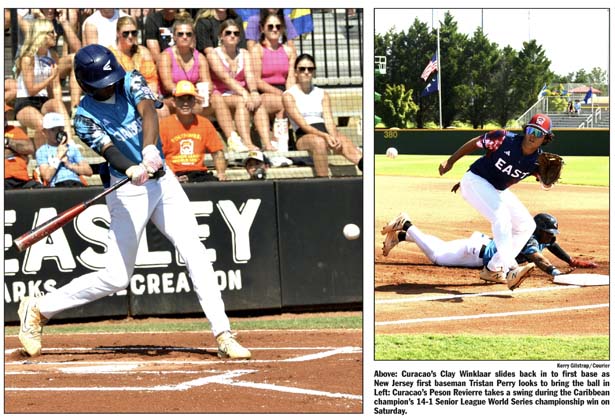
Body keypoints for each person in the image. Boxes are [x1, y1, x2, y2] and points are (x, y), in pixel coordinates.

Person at [17, 44, 251, 360]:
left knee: (195, 250)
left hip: (162, 180)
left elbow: (147, 110)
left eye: (112, 78)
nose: (111, 85)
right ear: (87, 85)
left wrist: (150, 150)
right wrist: (129, 167)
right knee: (116, 277)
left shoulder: (130, 79)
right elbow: (109, 149)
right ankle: (40, 307)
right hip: (127, 190)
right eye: (103, 83)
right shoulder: (84, 117)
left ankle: (223, 333)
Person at [438, 113, 555, 290]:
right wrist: (451, 161)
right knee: (501, 218)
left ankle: (493, 268)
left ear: (545, 138)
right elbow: (475, 142)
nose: (533, 135)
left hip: (496, 189)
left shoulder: (538, 161)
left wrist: (548, 181)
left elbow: (546, 184)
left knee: (526, 225)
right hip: (475, 180)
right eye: (531, 130)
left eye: (539, 133)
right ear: (525, 130)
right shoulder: (503, 138)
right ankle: (511, 269)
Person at [382, 212, 597, 289]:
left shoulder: (543, 237)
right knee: (437, 256)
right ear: (540, 231)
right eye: (549, 233)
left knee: (441, 247)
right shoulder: (530, 239)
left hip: (477, 245)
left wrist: (571, 261)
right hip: (474, 253)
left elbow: (554, 247)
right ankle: (407, 224)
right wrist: (555, 273)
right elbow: (538, 259)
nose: (552, 236)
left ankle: (401, 236)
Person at [283, 53, 363, 177]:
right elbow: (303, 125)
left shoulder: (322, 93)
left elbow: (329, 120)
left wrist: (334, 136)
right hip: (304, 135)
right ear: (295, 72)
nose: (306, 72)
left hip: (324, 131)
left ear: (314, 72)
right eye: (302, 69)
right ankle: (325, 182)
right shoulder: (288, 95)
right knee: (319, 142)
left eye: (310, 69)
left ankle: (367, 169)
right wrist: (325, 136)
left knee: (343, 140)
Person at [14, 18, 73, 149]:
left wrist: (58, 108)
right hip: (25, 102)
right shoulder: (27, 58)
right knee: (43, 124)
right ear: (42, 35)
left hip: (43, 100)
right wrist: (50, 78)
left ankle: (69, 142)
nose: (56, 35)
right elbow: (31, 90)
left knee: (57, 104)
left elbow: (56, 86)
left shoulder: (52, 55)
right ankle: (42, 158)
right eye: (52, 32)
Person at [209, 19, 261, 152]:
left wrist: (254, 91)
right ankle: (244, 142)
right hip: (219, 96)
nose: (232, 36)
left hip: (240, 94)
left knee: (259, 101)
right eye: (228, 33)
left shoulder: (244, 53)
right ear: (221, 35)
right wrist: (245, 93)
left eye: (236, 33)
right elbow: (225, 78)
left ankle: (272, 143)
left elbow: (249, 75)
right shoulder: (213, 53)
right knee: (241, 100)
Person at [159, 80, 227, 182]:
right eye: (181, 99)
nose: (185, 103)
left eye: (189, 99)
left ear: (195, 101)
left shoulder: (205, 124)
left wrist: (221, 173)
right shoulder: (164, 125)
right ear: (173, 102)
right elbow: (159, 156)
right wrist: (171, 176)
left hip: (198, 174)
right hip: (173, 174)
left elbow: (217, 152)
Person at [251, 12, 296, 151]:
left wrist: (289, 93)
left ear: (282, 29)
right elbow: (257, 80)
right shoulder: (257, 50)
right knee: (281, 102)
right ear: (262, 29)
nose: (275, 29)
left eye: (278, 26)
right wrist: (281, 94)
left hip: (284, 89)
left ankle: (283, 144)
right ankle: (274, 144)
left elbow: (290, 77)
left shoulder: (289, 50)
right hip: (264, 90)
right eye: (270, 26)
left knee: (289, 102)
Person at [109, 16, 168, 117]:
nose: (130, 36)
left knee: (163, 110)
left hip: (143, 97)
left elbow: (151, 80)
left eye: (134, 32)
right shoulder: (110, 54)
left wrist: (150, 95)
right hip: (120, 99)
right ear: (117, 33)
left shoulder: (143, 52)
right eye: (126, 33)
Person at [157, 13, 213, 116]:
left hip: (193, 98)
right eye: (180, 34)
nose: (185, 37)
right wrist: (189, 91)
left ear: (193, 37)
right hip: (170, 98)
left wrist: (206, 91)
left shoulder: (200, 57)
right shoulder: (166, 56)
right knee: (188, 104)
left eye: (188, 34)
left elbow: (208, 83)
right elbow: (168, 85)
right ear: (174, 36)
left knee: (213, 101)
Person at [35, 112, 92, 187]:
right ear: (45, 132)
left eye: (59, 129)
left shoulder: (71, 147)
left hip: (75, 184)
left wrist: (69, 165)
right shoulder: (42, 151)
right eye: (53, 130)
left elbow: (88, 171)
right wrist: (58, 157)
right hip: (57, 186)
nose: (57, 132)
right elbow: (47, 177)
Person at [4, 104, 43, 189]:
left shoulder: (14, 130)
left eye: (5, 113)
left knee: (42, 192)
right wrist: (16, 150)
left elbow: (29, 148)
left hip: (21, 178)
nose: (4, 116)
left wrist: (6, 141)